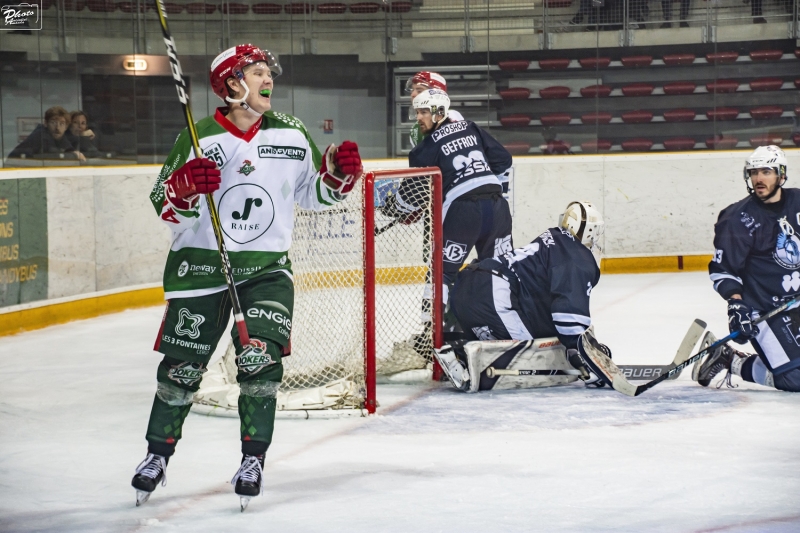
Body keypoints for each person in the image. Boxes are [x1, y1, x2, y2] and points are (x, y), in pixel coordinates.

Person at [131, 44, 364, 510]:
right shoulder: (198, 139)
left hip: (265, 270)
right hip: (201, 268)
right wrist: (183, 188)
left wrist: (337, 176)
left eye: (267, 73)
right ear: (232, 84)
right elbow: (164, 205)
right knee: (181, 372)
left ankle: (252, 458)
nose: (268, 81)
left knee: (260, 365)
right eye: (257, 72)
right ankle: (157, 454)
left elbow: (314, 194)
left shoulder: (293, 133)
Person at [435, 201, 606, 391]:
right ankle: (465, 364)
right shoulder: (575, 256)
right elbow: (569, 319)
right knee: (529, 354)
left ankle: (458, 346)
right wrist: (589, 360)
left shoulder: (555, 238)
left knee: (535, 335)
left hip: (467, 284)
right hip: (494, 292)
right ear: (588, 231)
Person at [385, 89, 513, 307]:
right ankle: (508, 322)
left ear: (439, 112)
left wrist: (393, 208)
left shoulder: (424, 148)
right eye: (417, 112)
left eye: (423, 112)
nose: (418, 118)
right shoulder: (471, 128)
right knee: (502, 268)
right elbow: (504, 160)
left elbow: (413, 194)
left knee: (441, 274)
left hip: (464, 213)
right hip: (498, 208)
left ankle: (431, 331)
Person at [696, 145, 800, 392]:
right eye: (754, 172)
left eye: (766, 171)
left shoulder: (798, 201)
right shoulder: (737, 219)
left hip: (796, 301)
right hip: (767, 309)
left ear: (781, 175)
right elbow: (723, 269)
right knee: (795, 379)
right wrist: (737, 305)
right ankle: (730, 359)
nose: (759, 178)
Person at [405, 71, 464, 148]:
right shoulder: (415, 131)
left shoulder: (451, 116)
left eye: (419, 91)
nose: (413, 94)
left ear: (437, 94)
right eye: (413, 90)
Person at [8, 106, 85, 161]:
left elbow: (68, 149)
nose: (57, 127)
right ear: (45, 123)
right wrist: (73, 156)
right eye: (53, 122)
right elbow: (52, 153)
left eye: (61, 124)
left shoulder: (62, 138)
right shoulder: (40, 135)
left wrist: (75, 152)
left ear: (66, 126)